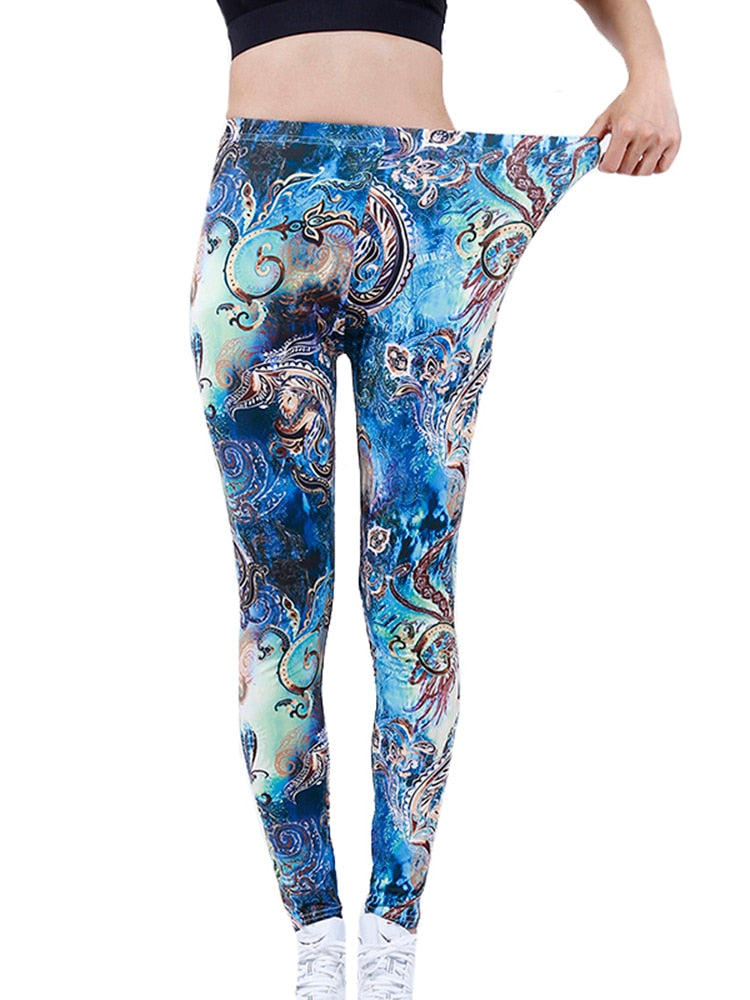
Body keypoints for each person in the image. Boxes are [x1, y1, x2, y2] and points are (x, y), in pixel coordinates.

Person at [188, 2, 681, 997]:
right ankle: (316, 938)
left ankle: (391, 942)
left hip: (432, 210)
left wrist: (650, 67)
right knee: (280, 605)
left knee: (412, 591)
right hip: (262, 206)